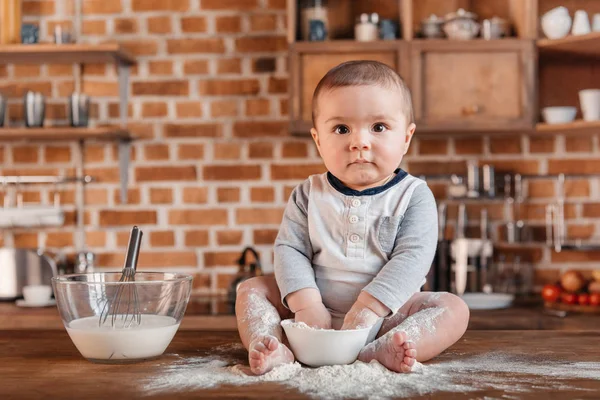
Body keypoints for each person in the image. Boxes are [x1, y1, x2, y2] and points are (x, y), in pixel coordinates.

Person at [235, 60, 470, 376]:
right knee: (251, 288)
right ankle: (275, 347)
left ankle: (381, 350)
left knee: (454, 309)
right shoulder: (307, 194)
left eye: (379, 127)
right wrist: (307, 305)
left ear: (406, 137)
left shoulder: (414, 195)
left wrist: (367, 309)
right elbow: (289, 251)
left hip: (387, 316)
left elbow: (412, 259)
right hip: (311, 314)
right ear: (319, 140)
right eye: (341, 128)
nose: (359, 141)